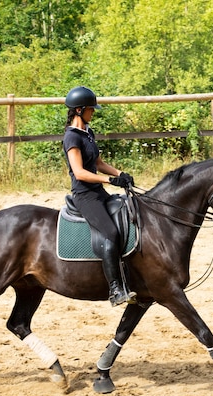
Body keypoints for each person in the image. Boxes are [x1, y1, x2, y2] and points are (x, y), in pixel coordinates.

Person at [62, 86, 137, 307]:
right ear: (79, 110)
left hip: (98, 192)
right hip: (85, 196)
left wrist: (119, 174)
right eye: (90, 109)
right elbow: (80, 172)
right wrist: (109, 181)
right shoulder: (71, 137)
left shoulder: (87, 132)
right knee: (110, 232)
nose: (93, 112)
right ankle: (115, 289)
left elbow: (97, 163)